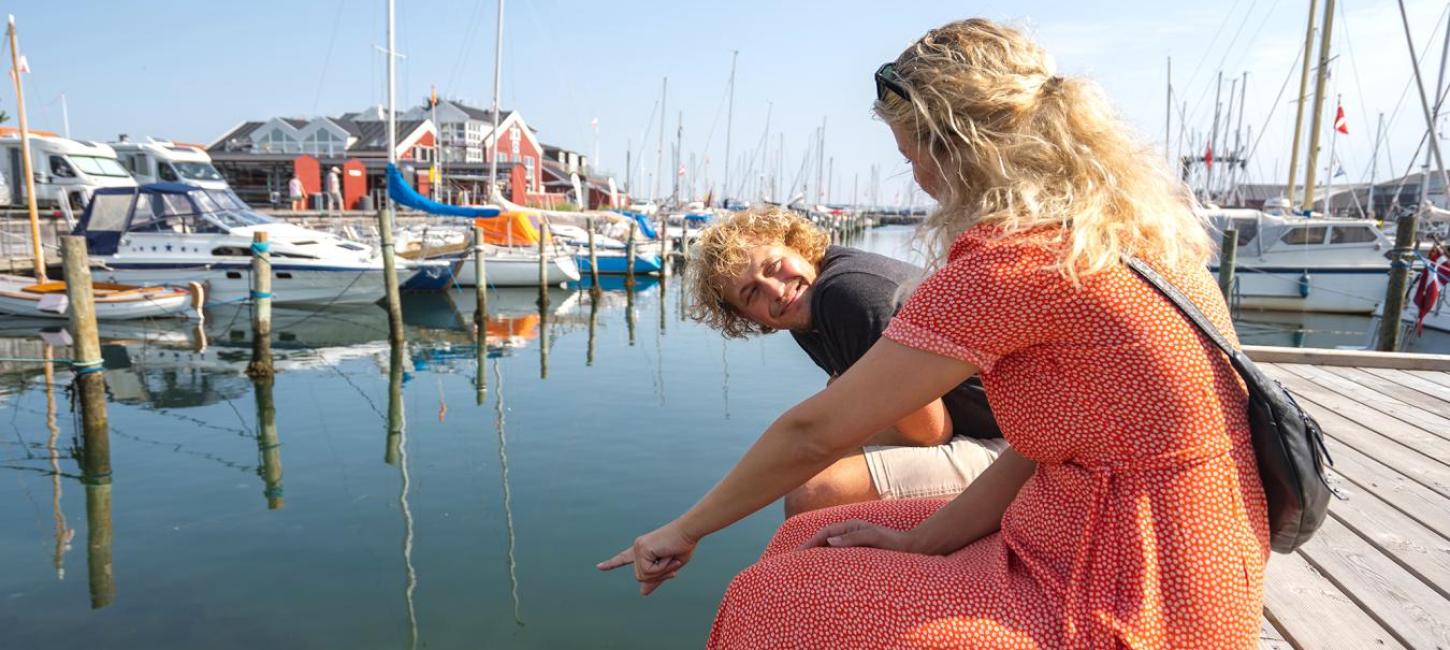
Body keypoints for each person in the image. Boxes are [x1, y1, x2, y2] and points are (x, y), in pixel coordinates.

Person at [599, 18, 1267, 648]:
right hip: (1157, 550)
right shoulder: (1122, 237)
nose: (916, 179)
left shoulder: (1016, 265)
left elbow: (813, 433)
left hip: (1137, 595)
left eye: (909, 152)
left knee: (767, 597)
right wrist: (921, 545)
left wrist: (683, 532)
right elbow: (1037, 448)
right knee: (814, 535)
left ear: (958, 146)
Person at [687, 207, 1006, 517]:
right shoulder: (807, 314)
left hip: (1016, 448)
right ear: (746, 317)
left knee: (814, 492)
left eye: (773, 266)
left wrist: (839, 423)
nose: (777, 290)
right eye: (752, 293)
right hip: (990, 433)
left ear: (797, 246)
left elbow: (930, 432)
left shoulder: (847, 294)